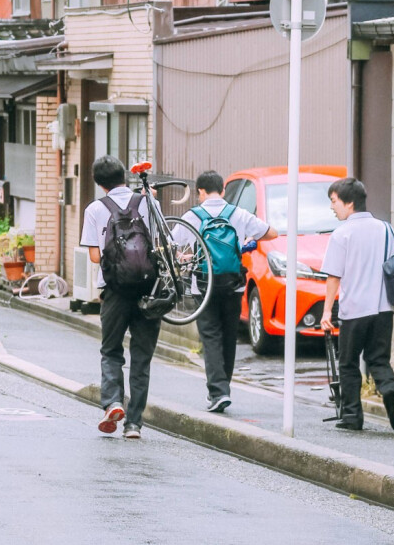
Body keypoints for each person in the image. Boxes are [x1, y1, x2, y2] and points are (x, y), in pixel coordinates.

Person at [176, 170, 274, 413]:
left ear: (200, 191)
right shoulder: (238, 213)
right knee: (229, 335)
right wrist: (247, 241)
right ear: (222, 190)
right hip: (233, 284)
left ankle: (218, 392)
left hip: (204, 284)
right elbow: (272, 233)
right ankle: (223, 388)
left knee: (210, 337)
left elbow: (170, 243)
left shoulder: (193, 215)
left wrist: (182, 255)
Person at [80, 154, 160, 439]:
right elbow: (161, 243)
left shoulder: (95, 209)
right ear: (124, 176)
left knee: (111, 350)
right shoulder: (150, 203)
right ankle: (135, 425)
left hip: (115, 290)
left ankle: (113, 402)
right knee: (142, 357)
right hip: (150, 290)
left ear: (100, 184)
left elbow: (93, 256)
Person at [319, 177, 394, 434]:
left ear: (349, 203)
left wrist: (326, 312)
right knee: (379, 360)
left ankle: (352, 416)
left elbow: (333, 276)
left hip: (355, 310)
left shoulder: (342, 233)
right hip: (383, 308)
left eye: (334, 202)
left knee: (348, 363)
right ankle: (389, 391)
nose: (332, 207)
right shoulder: (385, 229)